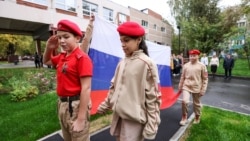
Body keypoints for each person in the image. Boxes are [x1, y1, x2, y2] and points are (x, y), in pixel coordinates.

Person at [97, 21, 161, 141]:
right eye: (121, 41)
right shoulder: (122, 62)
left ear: (138, 40)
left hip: (134, 120)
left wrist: (152, 126)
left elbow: (153, 98)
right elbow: (113, 87)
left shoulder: (147, 63)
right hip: (119, 115)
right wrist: (106, 104)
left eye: (126, 40)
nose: (122, 44)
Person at [43, 19, 93, 141]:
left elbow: (86, 89)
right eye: (59, 38)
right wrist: (48, 48)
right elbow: (46, 61)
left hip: (76, 106)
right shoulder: (62, 56)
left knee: (79, 137)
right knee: (68, 138)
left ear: (77, 38)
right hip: (63, 104)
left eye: (66, 37)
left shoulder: (82, 58)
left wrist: (81, 119)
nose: (62, 41)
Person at [178, 49, 208, 126]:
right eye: (191, 56)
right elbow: (182, 77)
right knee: (185, 101)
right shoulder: (186, 65)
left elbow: (205, 79)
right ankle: (184, 116)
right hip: (186, 86)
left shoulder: (202, 66)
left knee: (196, 104)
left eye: (194, 56)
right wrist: (180, 85)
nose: (192, 57)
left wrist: (203, 89)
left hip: (197, 87)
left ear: (198, 56)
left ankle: (197, 116)